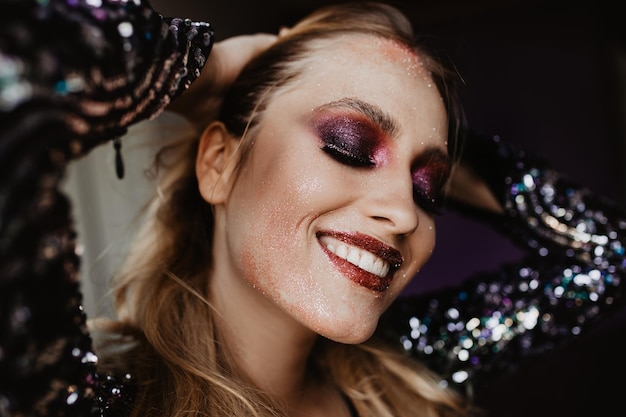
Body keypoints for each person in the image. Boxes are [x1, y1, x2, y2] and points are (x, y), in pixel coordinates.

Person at [0, 1, 624, 417]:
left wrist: (422, 124)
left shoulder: (403, 381)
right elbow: (16, 72)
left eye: (430, 186)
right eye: (349, 147)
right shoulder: (99, 401)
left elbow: (604, 254)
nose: (405, 214)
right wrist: (201, 69)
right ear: (219, 163)